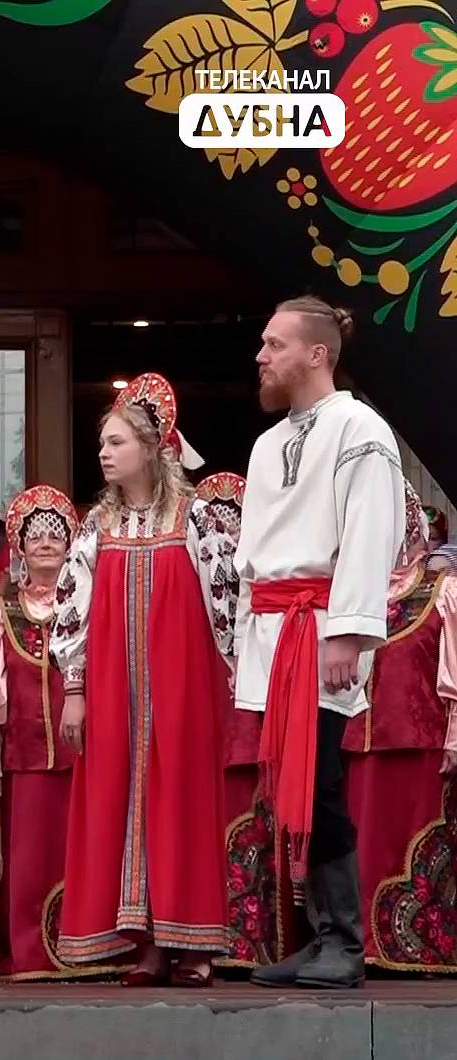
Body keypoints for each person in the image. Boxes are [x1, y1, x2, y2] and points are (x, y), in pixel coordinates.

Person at [239, 297, 404, 991]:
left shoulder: (359, 428)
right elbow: (255, 558)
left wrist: (348, 633)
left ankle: (344, 940)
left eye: (274, 344)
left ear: (317, 354)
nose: (261, 356)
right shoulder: (267, 444)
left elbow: (369, 531)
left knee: (322, 782)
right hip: (273, 632)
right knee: (294, 785)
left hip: (320, 628)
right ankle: (319, 935)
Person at [53, 372, 237, 987]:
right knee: (121, 800)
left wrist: (234, 687)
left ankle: (195, 941)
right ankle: (146, 943)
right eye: (102, 443)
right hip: (114, 693)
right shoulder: (95, 527)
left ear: (152, 448)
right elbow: (72, 612)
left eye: (116, 442)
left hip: (184, 691)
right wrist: (74, 691)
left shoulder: (197, 518)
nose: (104, 453)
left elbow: (227, 609)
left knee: (182, 799)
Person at [0, 485, 108, 981]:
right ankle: (30, 952)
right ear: (20, 548)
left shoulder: (92, 609)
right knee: (26, 859)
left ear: (71, 546)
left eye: (55, 535)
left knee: (83, 851)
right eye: (35, 535)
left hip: (83, 756)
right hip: (23, 757)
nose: (46, 543)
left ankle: (87, 946)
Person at [343, 482, 457, 974]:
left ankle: (419, 949)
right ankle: (357, 945)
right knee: (356, 849)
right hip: (354, 748)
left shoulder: (443, 589)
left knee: (413, 848)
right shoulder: (349, 594)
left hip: (420, 748)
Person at [194, 471, 304, 976]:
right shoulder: (193, 585)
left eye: (234, 522)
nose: (226, 534)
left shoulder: (266, 585)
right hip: (204, 720)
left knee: (261, 830)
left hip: (256, 721)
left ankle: (261, 944)